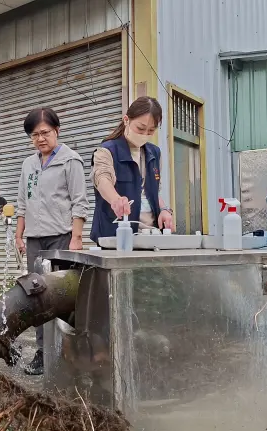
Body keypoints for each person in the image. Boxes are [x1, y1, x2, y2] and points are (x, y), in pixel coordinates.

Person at [14, 107, 89, 376]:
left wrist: (76, 239)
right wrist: (19, 235)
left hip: (61, 238)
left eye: (45, 133)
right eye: (34, 135)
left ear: (57, 130)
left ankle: (72, 352)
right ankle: (44, 353)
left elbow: (80, 203)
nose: (40, 139)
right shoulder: (28, 164)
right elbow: (23, 202)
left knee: (64, 297)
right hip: (35, 238)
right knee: (38, 298)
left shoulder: (71, 161)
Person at [90, 96, 174, 243]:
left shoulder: (155, 153)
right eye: (140, 128)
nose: (144, 135)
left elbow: (153, 192)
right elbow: (102, 179)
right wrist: (115, 199)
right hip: (115, 236)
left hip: (150, 235)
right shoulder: (106, 151)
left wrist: (165, 210)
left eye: (151, 131)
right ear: (126, 120)